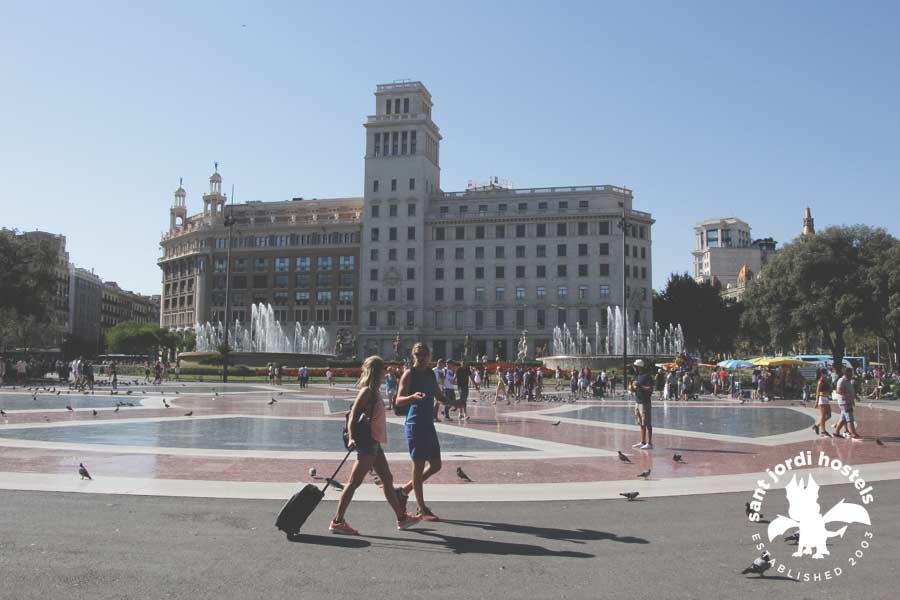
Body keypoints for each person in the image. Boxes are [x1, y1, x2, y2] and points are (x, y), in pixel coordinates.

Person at [329, 355, 420, 534]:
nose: (385, 372)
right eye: (382, 369)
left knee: (387, 479)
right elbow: (352, 415)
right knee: (354, 482)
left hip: (374, 443)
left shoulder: (375, 391)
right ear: (376, 371)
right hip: (367, 443)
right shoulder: (367, 392)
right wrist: (351, 437)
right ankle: (338, 521)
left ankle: (402, 518)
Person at [395, 343, 444, 522]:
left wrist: (454, 402)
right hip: (414, 424)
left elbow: (438, 395)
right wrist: (412, 398)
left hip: (428, 425)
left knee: (436, 465)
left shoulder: (431, 373)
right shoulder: (410, 374)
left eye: (424, 354)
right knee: (418, 467)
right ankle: (421, 508)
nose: (421, 357)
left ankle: (403, 491)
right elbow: (398, 401)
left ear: (429, 355)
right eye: (417, 354)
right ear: (412, 355)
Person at [630, 359, 654, 450]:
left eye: (635, 366)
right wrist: (632, 387)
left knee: (647, 423)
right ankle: (643, 441)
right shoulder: (636, 376)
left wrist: (640, 385)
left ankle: (650, 443)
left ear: (639, 367)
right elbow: (634, 388)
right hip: (638, 401)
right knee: (641, 423)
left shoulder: (646, 376)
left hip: (645, 402)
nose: (634, 368)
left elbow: (650, 389)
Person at [833, 367, 862, 440]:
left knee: (843, 419)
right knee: (849, 418)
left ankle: (836, 432)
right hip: (844, 402)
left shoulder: (848, 381)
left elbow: (851, 391)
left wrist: (854, 397)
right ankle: (853, 434)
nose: (852, 375)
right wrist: (848, 396)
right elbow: (839, 391)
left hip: (848, 401)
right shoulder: (842, 380)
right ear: (847, 373)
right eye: (851, 373)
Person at [813, 368, 832, 437]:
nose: (826, 375)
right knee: (823, 416)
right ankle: (823, 431)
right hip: (822, 398)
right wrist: (816, 401)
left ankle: (817, 426)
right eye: (825, 373)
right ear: (822, 374)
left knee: (829, 415)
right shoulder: (820, 381)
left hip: (826, 398)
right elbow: (817, 391)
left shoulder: (825, 380)